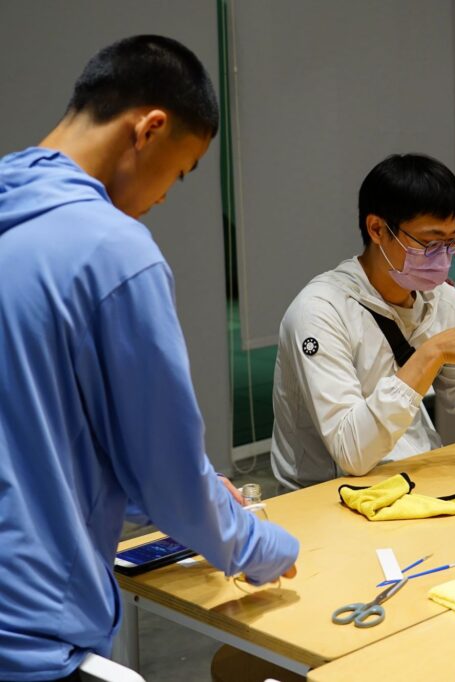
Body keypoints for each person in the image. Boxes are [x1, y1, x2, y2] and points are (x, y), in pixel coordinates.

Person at [0, 36, 298, 680]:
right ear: (150, 129)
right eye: (180, 171)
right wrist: (262, 545)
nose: (164, 196)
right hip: (32, 633)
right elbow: (170, 479)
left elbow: (39, 438)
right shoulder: (114, 252)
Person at [270, 154, 455, 489]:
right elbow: (351, 454)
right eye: (429, 242)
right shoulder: (319, 312)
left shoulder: (441, 298)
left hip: (413, 475)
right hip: (329, 494)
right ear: (377, 229)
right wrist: (432, 353)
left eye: (451, 241)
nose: (442, 256)